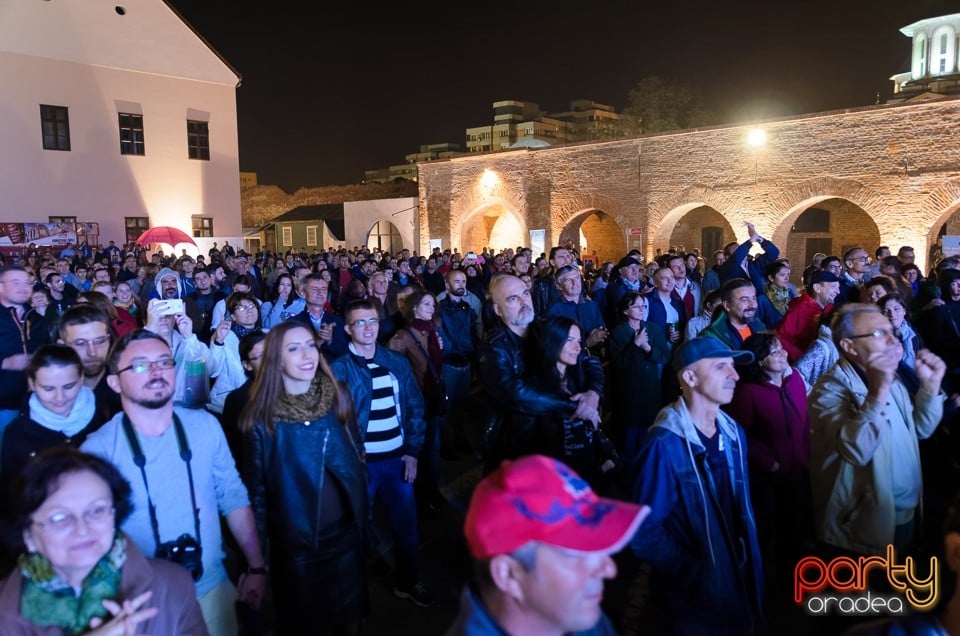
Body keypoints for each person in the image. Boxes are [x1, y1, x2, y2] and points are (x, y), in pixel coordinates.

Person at [81, 330, 266, 636]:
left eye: (164, 361)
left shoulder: (206, 426)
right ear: (114, 382)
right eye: (140, 365)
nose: (155, 371)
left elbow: (233, 498)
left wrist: (256, 566)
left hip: (213, 590)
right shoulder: (97, 451)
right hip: (140, 603)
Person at [241, 322, 368, 635]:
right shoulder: (260, 420)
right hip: (297, 550)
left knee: (349, 624)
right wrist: (256, 563)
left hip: (346, 540)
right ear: (276, 359)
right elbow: (255, 497)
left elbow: (357, 456)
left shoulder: (339, 398)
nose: (306, 354)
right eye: (293, 348)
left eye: (310, 345)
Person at [631, 337, 764, 634]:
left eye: (732, 367)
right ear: (689, 377)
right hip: (692, 602)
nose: (735, 375)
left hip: (736, 576)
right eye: (721, 367)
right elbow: (644, 530)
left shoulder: (733, 434)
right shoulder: (664, 445)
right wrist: (694, 570)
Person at [0, 447, 207, 634]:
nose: (82, 530)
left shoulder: (172, 586)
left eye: (97, 510)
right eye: (59, 518)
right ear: (28, 536)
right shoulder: (4, 609)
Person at [446, 454, 650, 636]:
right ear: (508, 574)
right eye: (578, 553)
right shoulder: (575, 609)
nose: (609, 569)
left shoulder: (576, 613)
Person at [808, 303, 946, 555]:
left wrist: (930, 388)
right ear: (849, 346)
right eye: (879, 334)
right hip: (863, 524)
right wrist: (878, 392)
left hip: (907, 509)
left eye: (891, 331)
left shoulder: (889, 376)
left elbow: (920, 431)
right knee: (874, 592)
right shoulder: (829, 390)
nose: (894, 340)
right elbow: (856, 451)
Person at [330, 300, 431, 607]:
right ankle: (354, 593)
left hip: (397, 460)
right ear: (348, 329)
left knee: (406, 528)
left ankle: (408, 580)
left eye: (372, 321)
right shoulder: (339, 368)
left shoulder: (395, 361)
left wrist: (413, 451)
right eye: (360, 323)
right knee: (356, 529)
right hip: (361, 465)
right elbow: (335, 423)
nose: (368, 327)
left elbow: (414, 406)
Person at [478, 275, 602, 472]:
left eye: (525, 293)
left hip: (556, 435)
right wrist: (573, 407)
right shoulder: (494, 349)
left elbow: (586, 359)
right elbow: (515, 393)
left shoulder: (545, 328)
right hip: (516, 445)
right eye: (513, 298)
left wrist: (593, 393)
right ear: (498, 310)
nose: (524, 301)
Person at [723, 332, 813, 600]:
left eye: (781, 348)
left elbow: (804, 416)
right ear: (760, 362)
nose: (783, 353)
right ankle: (761, 588)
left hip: (797, 468)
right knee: (767, 531)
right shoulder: (748, 393)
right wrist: (768, 462)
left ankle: (793, 582)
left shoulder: (795, 378)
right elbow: (740, 434)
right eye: (774, 352)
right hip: (767, 477)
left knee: (796, 529)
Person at [527, 316, 618, 492]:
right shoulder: (536, 389)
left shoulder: (579, 379)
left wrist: (608, 456)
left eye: (578, 340)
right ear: (552, 341)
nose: (578, 347)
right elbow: (530, 446)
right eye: (569, 340)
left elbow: (592, 426)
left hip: (592, 475)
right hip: (560, 486)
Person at [388, 290, 447, 510]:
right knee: (417, 452)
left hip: (433, 400)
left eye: (433, 305)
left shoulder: (434, 331)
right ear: (414, 308)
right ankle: (419, 499)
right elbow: (392, 373)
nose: (431, 309)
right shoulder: (402, 337)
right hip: (414, 405)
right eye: (426, 305)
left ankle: (432, 490)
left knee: (433, 450)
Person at [607, 292, 670, 459]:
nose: (641, 310)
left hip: (651, 388)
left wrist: (648, 348)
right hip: (629, 391)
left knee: (650, 432)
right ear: (626, 311)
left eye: (643, 306)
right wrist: (635, 345)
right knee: (630, 438)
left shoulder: (653, 329)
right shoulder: (618, 333)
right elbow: (618, 364)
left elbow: (664, 356)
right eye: (636, 306)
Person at [0, 266, 51, 432]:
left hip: (36, 402)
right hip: (3, 404)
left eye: (28, 283)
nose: (24, 287)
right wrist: (5, 362)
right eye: (16, 282)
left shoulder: (36, 318)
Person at [57, 304, 123, 422]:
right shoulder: (48, 390)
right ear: (62, 346)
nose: (92, 352)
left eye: (100, 341)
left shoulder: (124, 385)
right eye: (80, 343)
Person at [776, 270, 840, 364]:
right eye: (834, 287)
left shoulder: (829, 308)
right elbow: (781, 337)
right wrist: (803, 359)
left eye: (838, 287)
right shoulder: (800, 309)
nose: (838, 292)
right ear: (817, 288)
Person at [290, 273, 348, 361]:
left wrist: (330, 341)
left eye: (324, 289)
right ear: (303, 293)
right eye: (314, 289)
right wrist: (316, 342)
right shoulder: (293, 323)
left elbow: (346, 355)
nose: (320, 293)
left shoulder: (338, 322)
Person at [700, 277, 765, 350]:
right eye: (744, 300)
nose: (752, 304)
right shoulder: (711, 337)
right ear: (727, 306)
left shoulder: (759, 326)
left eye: (754, 298)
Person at [756, 260, 795, 329]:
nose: (786, 278)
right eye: (782, 275)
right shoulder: (762, 299)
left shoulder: (790, 293)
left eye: (788, 274)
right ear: (771, 278)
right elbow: (758, 324)